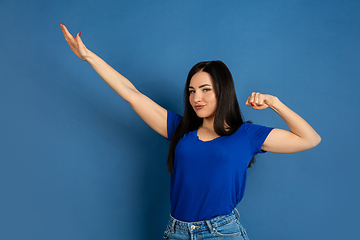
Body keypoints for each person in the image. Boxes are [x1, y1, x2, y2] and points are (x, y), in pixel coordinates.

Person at [60, 23, 321, 240]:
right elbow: (131, 93)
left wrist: (275, 103)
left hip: (221, 234)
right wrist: (89, 57)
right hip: (177, 232)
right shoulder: (179, 129)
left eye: (205, 89)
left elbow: (310, 139)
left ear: (222, 91)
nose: (197, 97)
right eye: (192, 90)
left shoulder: (247, 136)